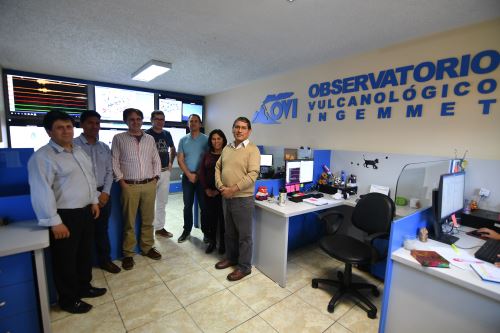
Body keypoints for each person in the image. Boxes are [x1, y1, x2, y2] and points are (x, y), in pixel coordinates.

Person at [28, 110, 106, 314]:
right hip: (65, 216)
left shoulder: (77, 151)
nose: (66, 131)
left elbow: (89, 179)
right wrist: (54, 222)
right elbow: (41, 191)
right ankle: (68, 300)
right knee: (65, 260)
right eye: (60, 127)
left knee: (84, 254)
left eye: (69, 126)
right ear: (49, 132)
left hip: (86, 211)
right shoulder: (42, 157)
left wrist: (94, 201)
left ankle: (84, 287)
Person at [111, 108, 162, 270]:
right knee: (129, 222)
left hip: (149, 185)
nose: (136, 122)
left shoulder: (150, 139)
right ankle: (128, 254)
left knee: (148, 219)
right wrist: (122, 182)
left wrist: (155, 178)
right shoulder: (119, 138)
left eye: (138, 119)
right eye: (132, 119)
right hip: (129, 186)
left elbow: (156, 159)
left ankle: (147, 247)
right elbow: (114, 161)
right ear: (126, 121)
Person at [74, 110, 121, 274]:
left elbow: (109, 171)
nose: (94, 126)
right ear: (82, 124)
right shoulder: (73, 146)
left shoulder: (103, 147)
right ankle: (84, 270)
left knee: (102, 230)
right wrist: (96, 196)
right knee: (84, 234)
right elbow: (77, 176)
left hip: (104, 194)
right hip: (82, 195)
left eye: (97, 123)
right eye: (90, 123)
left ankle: (105, 261)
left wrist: (106, 192)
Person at [214, 117, 260, 281]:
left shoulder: (252, 150)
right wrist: (220, 186)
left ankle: (244, 267)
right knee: (230, 233)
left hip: (242, 199)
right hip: (226, 197)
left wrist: (233, 189)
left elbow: (253, 174)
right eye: (237, 127)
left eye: (243, 128)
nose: (239, 130)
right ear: (232, 129)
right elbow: (218, 167)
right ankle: (231, 258)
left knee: (244, 236)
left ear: (249, 131)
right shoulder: (227, 148)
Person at [176, 114, 208, 243]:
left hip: (202, 178)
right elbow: (180, 159)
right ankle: (186, 230)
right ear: (188, 124)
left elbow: (208, 159)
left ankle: (206, 233)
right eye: (191, 121)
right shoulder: (183, 140)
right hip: (187, 177)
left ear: (200, 124)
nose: (193, 123)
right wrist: (189, 175)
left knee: (204, 206)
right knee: (187, 205)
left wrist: (198, 175)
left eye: (196, 121)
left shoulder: (206, 140)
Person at [145, 111, 176, 238]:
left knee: (162, 202)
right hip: (151, 175)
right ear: (152, 120)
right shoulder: (146, 134)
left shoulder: (167, 134)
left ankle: (159, 228)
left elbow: (172, 149)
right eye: (157, 119)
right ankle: (147, 231)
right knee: (149, 203)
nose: (160, 121)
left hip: (164, 173)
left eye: (162, 119)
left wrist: (170, 163)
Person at [198, 129, 227, 254]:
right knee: (211, 219)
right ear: (210, 141)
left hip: (223, 193)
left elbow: (229, 174)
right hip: (208, 193)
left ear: (223, 140)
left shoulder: (228, 154)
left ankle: (223, 245)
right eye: (213, 139)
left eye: (218, 138)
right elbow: (202, 173)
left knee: (223, 219)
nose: (216, 141)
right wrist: (206, 189)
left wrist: (218, 191)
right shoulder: (207, 155)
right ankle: (212, 242)